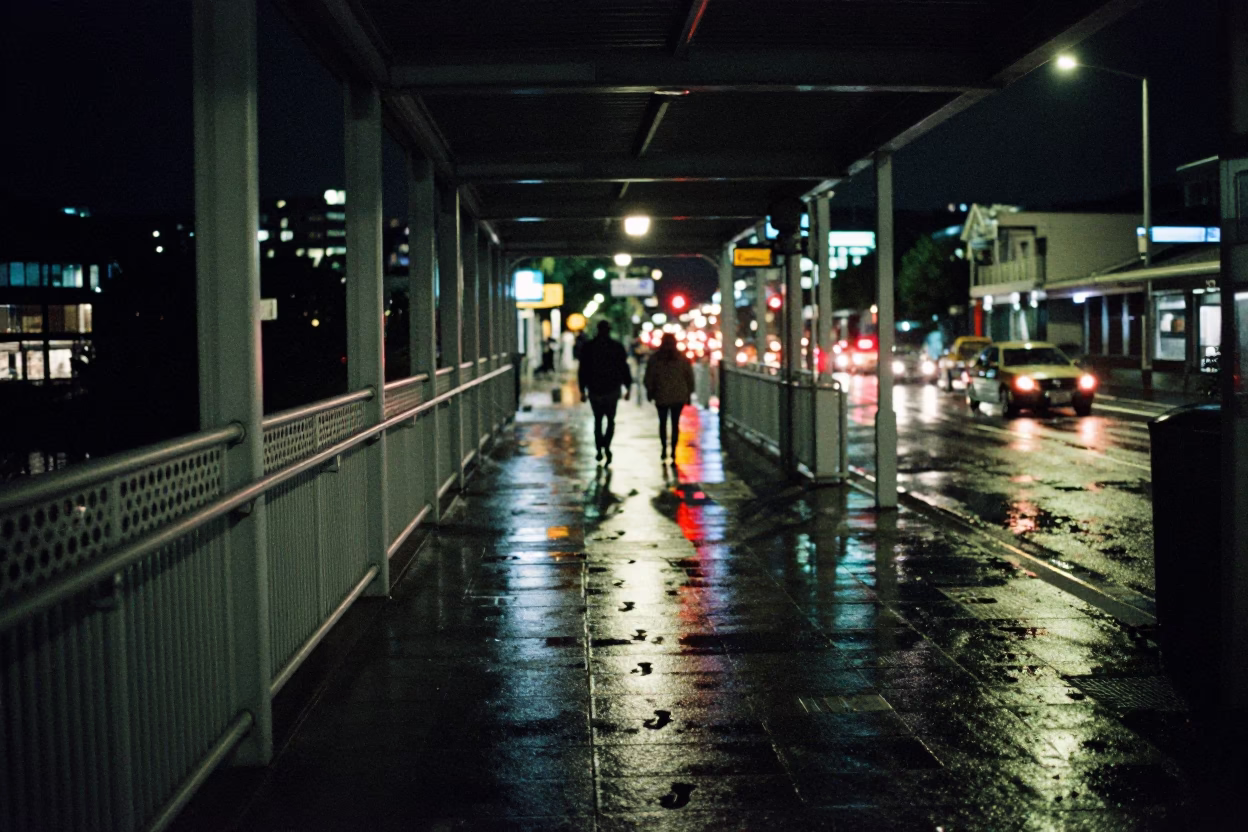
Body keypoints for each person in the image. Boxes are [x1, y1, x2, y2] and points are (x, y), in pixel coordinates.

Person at [578, 321, 632, 465]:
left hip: (595, 389)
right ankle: (606, 446)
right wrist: (628, 387)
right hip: (612, 389)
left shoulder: (589, 347)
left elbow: (583, 370)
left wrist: (582, 389)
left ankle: (599, 449)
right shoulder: (616, 347)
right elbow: (624, 368)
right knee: (610, 420)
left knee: (597, 420)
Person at [643, 333, 695, 463]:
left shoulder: (655, 359)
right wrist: (689, 394)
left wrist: (650, 391)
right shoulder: (682, 358)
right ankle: (673, 451)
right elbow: (689, 378)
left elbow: (649, 377)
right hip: (678, 396)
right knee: (675, 424)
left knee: (662, 423)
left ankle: (663, 448)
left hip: (661, 395)